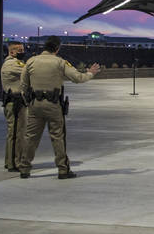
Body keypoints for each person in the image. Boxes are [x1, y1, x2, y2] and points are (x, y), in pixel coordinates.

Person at [18, 36, 101, 179]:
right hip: (53, 104)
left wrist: (28, 101)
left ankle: (24, 168)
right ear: (57, 48)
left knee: (30, 137)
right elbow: (77, 78)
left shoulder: (31, 61)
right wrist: (90, 73)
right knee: (57, 137)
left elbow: (23, 85)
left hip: (35, 105)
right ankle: (63, 169)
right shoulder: (60, 62)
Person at [0, 41, 27, 173]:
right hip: (15, 103)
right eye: (19, 50)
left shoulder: (14, 63)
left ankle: (10, 161)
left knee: (15, 133)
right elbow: (29, 71)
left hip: (17, 102)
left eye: (22, 49)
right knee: (16, 134)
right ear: (11, 52)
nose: (22, 52)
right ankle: (14, 163)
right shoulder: (12, 64)